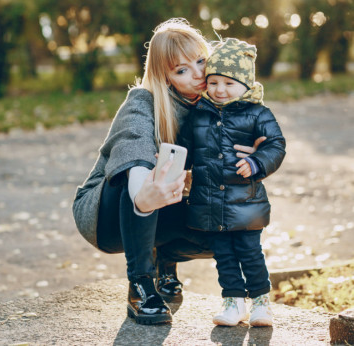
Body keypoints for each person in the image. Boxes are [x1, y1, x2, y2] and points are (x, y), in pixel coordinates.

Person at [72, 19, 263, 325]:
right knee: (142, 174)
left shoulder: (216, 107)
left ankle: (166, 263)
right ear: (166, 77)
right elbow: (133, 154)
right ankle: (140, 286)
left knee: (226, 228)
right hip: (106, 214)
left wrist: (248, 158)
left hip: (165, 206)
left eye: (201, 61)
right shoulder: (143, 101)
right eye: (181, 69)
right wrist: (143, 197)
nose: (198, 73)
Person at [179, 38, 286, 327]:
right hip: (210, 201)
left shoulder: (258, 113)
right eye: (213, 82)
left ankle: (261, 302)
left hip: (246, 202)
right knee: (224, 256)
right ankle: (233, 302)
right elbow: (187, 148)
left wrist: (257, 161)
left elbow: (275, 145)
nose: (220, 90)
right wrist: (172, 161)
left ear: (245, 84)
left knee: (250, 253)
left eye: (229, 83)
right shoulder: (199, 113)